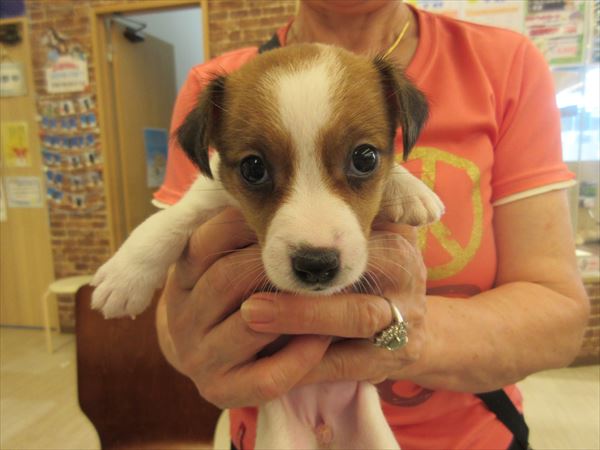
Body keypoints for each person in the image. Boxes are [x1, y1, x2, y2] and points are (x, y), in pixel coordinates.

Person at [152, 1, 590, 449]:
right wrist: (196, 343)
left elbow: (560, 322)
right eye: (255, 170)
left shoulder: (504, 64)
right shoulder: (221, 90)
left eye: (363, 160)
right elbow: (174, 326)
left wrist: (406, 335)